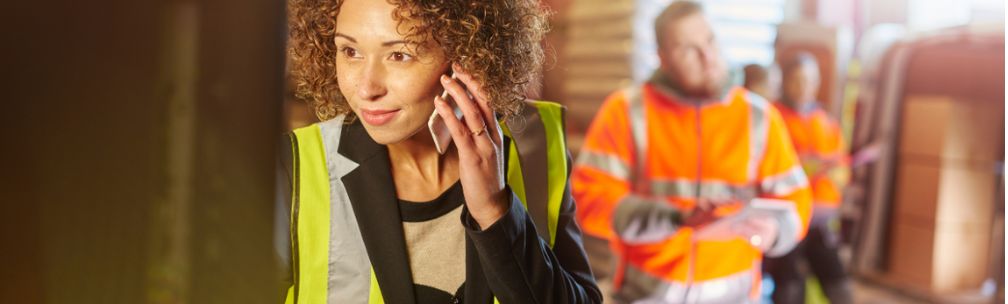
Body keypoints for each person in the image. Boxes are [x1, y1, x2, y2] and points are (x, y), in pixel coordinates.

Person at [278, 0, 602, 302]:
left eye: (399, 55)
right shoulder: (295, 166)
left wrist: (495, 210)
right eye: (350, 51)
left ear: (468, 52)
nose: (366, 88)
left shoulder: (536, 143)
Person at [570, 1, 813, 303]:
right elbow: (589, 199)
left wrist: (775, 230)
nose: (707, 57)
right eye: (687, 49)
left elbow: (798, 200)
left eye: (710, 40)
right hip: (644, 295)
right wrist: (674, 218)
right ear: (663, 58)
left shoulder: (759, 117)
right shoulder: (627, 111)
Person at [765, 51, 853, 304]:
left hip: (821, 222)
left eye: (810, 81)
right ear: (785, 81)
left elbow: (843, 169)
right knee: (789, 291)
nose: (804, 87)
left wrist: (835, 171)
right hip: (788, 221)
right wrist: (802, 167)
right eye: (798, 80)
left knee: (841, 289)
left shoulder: (826, 122)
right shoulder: (772, 118)